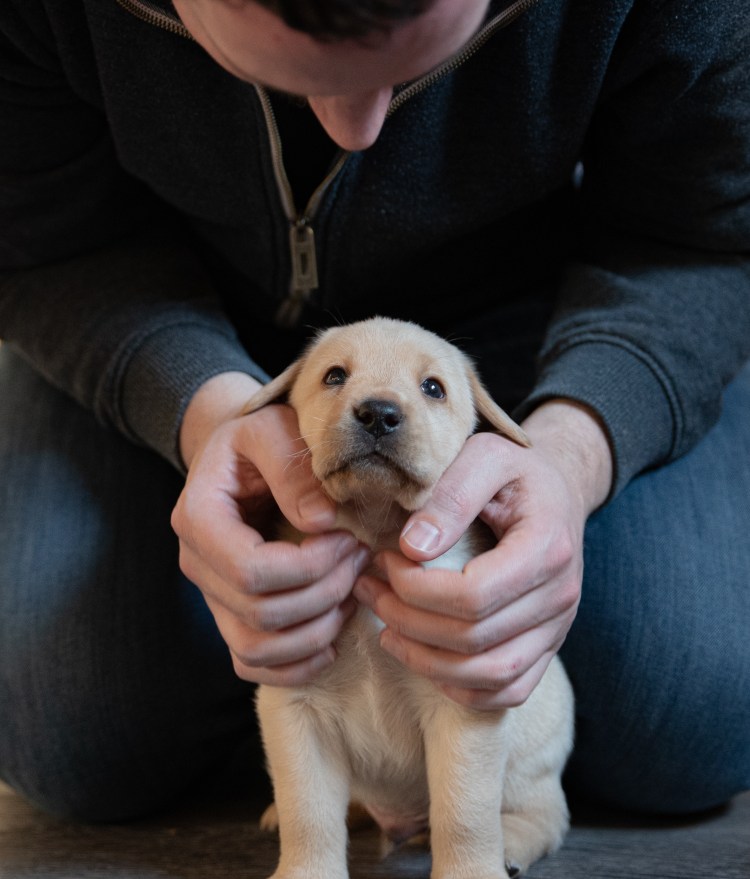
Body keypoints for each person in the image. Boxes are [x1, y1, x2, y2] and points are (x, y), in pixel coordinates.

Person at [0, 0, 748, 824]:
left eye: (412, 65)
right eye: (287, 76)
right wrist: (200, 407)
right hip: (149, 305)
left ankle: (322, 721)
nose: (357, 130)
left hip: (543, 324)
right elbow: (45, 242)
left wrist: (575, 449)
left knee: (690, 718)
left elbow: (704, 240)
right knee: (60, 731)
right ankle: (332, 737)